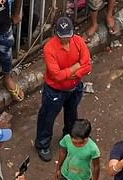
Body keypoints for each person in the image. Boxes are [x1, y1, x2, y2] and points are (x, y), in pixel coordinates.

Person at [37, 18, 93, 161]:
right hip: (54, 90)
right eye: (63, 37)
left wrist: (72, 73)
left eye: (69, 35)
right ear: (57, 34)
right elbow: (56, 76)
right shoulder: (49, 48)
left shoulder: (79, 41)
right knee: (47, 118)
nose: (67, 39)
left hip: (75, 88)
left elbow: (87, 65)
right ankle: (42, 144)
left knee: (71, 115)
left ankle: (69, 137)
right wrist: (76, 67)